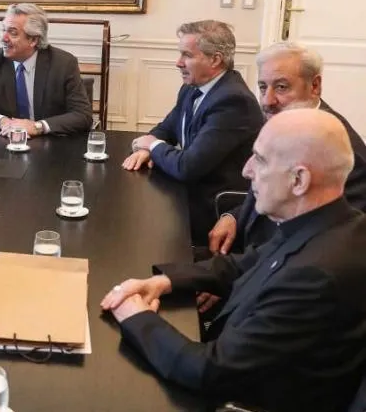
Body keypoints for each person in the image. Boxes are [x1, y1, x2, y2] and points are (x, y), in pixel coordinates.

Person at [102, 109, 366, 412]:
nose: (246, 170)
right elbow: (248, 263)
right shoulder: (332, 223)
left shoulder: (316, 276)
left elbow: (210, 371)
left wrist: (137, 318)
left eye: (260, 160)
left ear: (299, 180)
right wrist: (166, 281)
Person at [208, 41, 366, 255]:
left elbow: (322, 245)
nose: (267, 101)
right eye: (263, 87)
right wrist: (234, 217)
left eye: (281, 87)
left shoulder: (338, 150)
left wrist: (238, 275)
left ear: (315, 86)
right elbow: (273, 190)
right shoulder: (287, 122)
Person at [122, 20, 264, 244]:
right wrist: (147, 148)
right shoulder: (192, 88)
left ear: (215, 59)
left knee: (133, 229)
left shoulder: (233, 101)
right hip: (187, 193)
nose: (178, 63)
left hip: (213, 209)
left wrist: (153, 145)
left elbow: (188, 167)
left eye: (187, 55)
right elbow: (167, 127)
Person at [0, 3, 93, 137]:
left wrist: (38, 126)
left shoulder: (63, 64)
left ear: (33, 40)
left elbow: (83, 115)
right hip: (6, 141)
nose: (4, 38)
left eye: (12, 32)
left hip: (51, 143)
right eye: (3, 30)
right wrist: (3, 122)